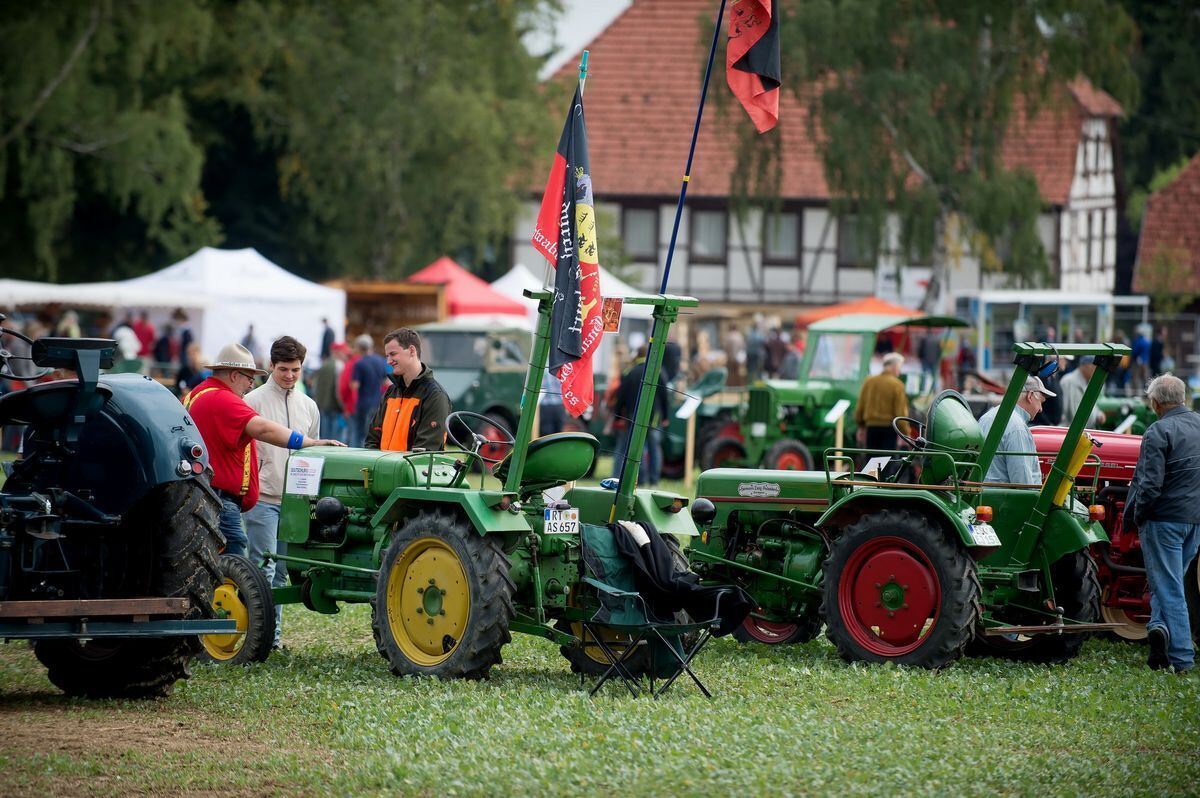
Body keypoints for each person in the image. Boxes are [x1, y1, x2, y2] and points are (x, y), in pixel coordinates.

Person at [184, 343, 343, 557]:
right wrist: (309, 442)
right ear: (233, 375)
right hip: (225, 498)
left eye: (295, 370)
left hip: (212, 493)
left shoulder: (199, 394)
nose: (251, 384)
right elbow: (263, 428)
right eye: (249, 377)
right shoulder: (226, 399)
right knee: (238, 562)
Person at [244, 336, 323, 650]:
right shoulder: (253, 402)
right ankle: (256, 636)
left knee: (280, 574)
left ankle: (272, 639)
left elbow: (314, 451)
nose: (290, 375)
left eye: (295, 369)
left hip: (296, 503)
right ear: (270, 367)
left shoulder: (309, 406)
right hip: (263, 497)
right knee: (262, 568)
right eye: (283, 369)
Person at [1125, 374, 1200, 674]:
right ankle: (1158, 628)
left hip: (1165, 520)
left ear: (1155, 403)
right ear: (1183, 398)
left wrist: (1139, 515)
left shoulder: (1158, 431)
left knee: (1168, 587)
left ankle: (1182, 658)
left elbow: (1149, 485)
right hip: (1195, 521)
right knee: (1169, 582)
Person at [364, 328, 451, 451]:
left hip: (412, 470)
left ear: (411, 350)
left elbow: (425, 452)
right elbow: (372, 440)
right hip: (382, 469)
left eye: (393, 354)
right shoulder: (390, 393)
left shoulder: (435, 395)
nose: (388, 361)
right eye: (387, 356)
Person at [977, 376, 1054, 485]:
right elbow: (1022, 480)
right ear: (1030, 396)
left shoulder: (987, 417)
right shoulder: (1017, 427)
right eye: (1041, 402)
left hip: (981, 495)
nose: (1041, 409)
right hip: (1004, 499)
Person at [610, 345, 669, 484]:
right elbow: (665, 396)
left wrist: (618, 416)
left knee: (638, 449)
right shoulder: (657, 372)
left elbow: (621, 396)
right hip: (654, 418)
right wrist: (666, 416)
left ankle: (641, 479)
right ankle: (654, 480)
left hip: (633, 417)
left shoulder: (629, 372)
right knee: (655, 449)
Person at [855, 352, 909, 452]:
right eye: (899, 368)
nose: (899, 371)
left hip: (871, 427)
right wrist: (905, 432)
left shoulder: (869, 382)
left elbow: (860, 407)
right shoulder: (897, 385)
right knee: (887, 461)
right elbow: (900, 412)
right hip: (889, 429)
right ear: (894, 367)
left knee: (871, 461)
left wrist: (861, 426)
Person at [349, 334, 389, 447]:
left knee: (359, 433)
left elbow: (355, 385)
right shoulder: (381, 361)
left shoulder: (359, 363)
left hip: (363, 403)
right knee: (372, 433)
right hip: (378, 403)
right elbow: (387, 381)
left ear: (359, 348)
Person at [1057, 355, 1106, 428]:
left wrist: (1098, 415)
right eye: (1094, 366)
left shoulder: (1088, 382)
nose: (1096, 369)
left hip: (1082, 430)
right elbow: (1072, 414)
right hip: (1068, 430)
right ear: (1086, 365)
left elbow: (1090, 405)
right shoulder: (1070, 381)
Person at [313, 341, 347, 443]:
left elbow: (316, 386)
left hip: (323, 405)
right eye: (343, 352)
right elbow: (339, 389)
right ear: (337, 352)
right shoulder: (339, 366)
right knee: (337, 438)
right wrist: (343, 405)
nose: (345, 354)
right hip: (335, 406)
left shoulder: (324, 364)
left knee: (325, 435)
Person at [539, 369, 564, 437]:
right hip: (559, 405)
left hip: (545, 405)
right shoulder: (559, 368)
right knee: (559, 431)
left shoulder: (543, 370)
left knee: (547, 432)